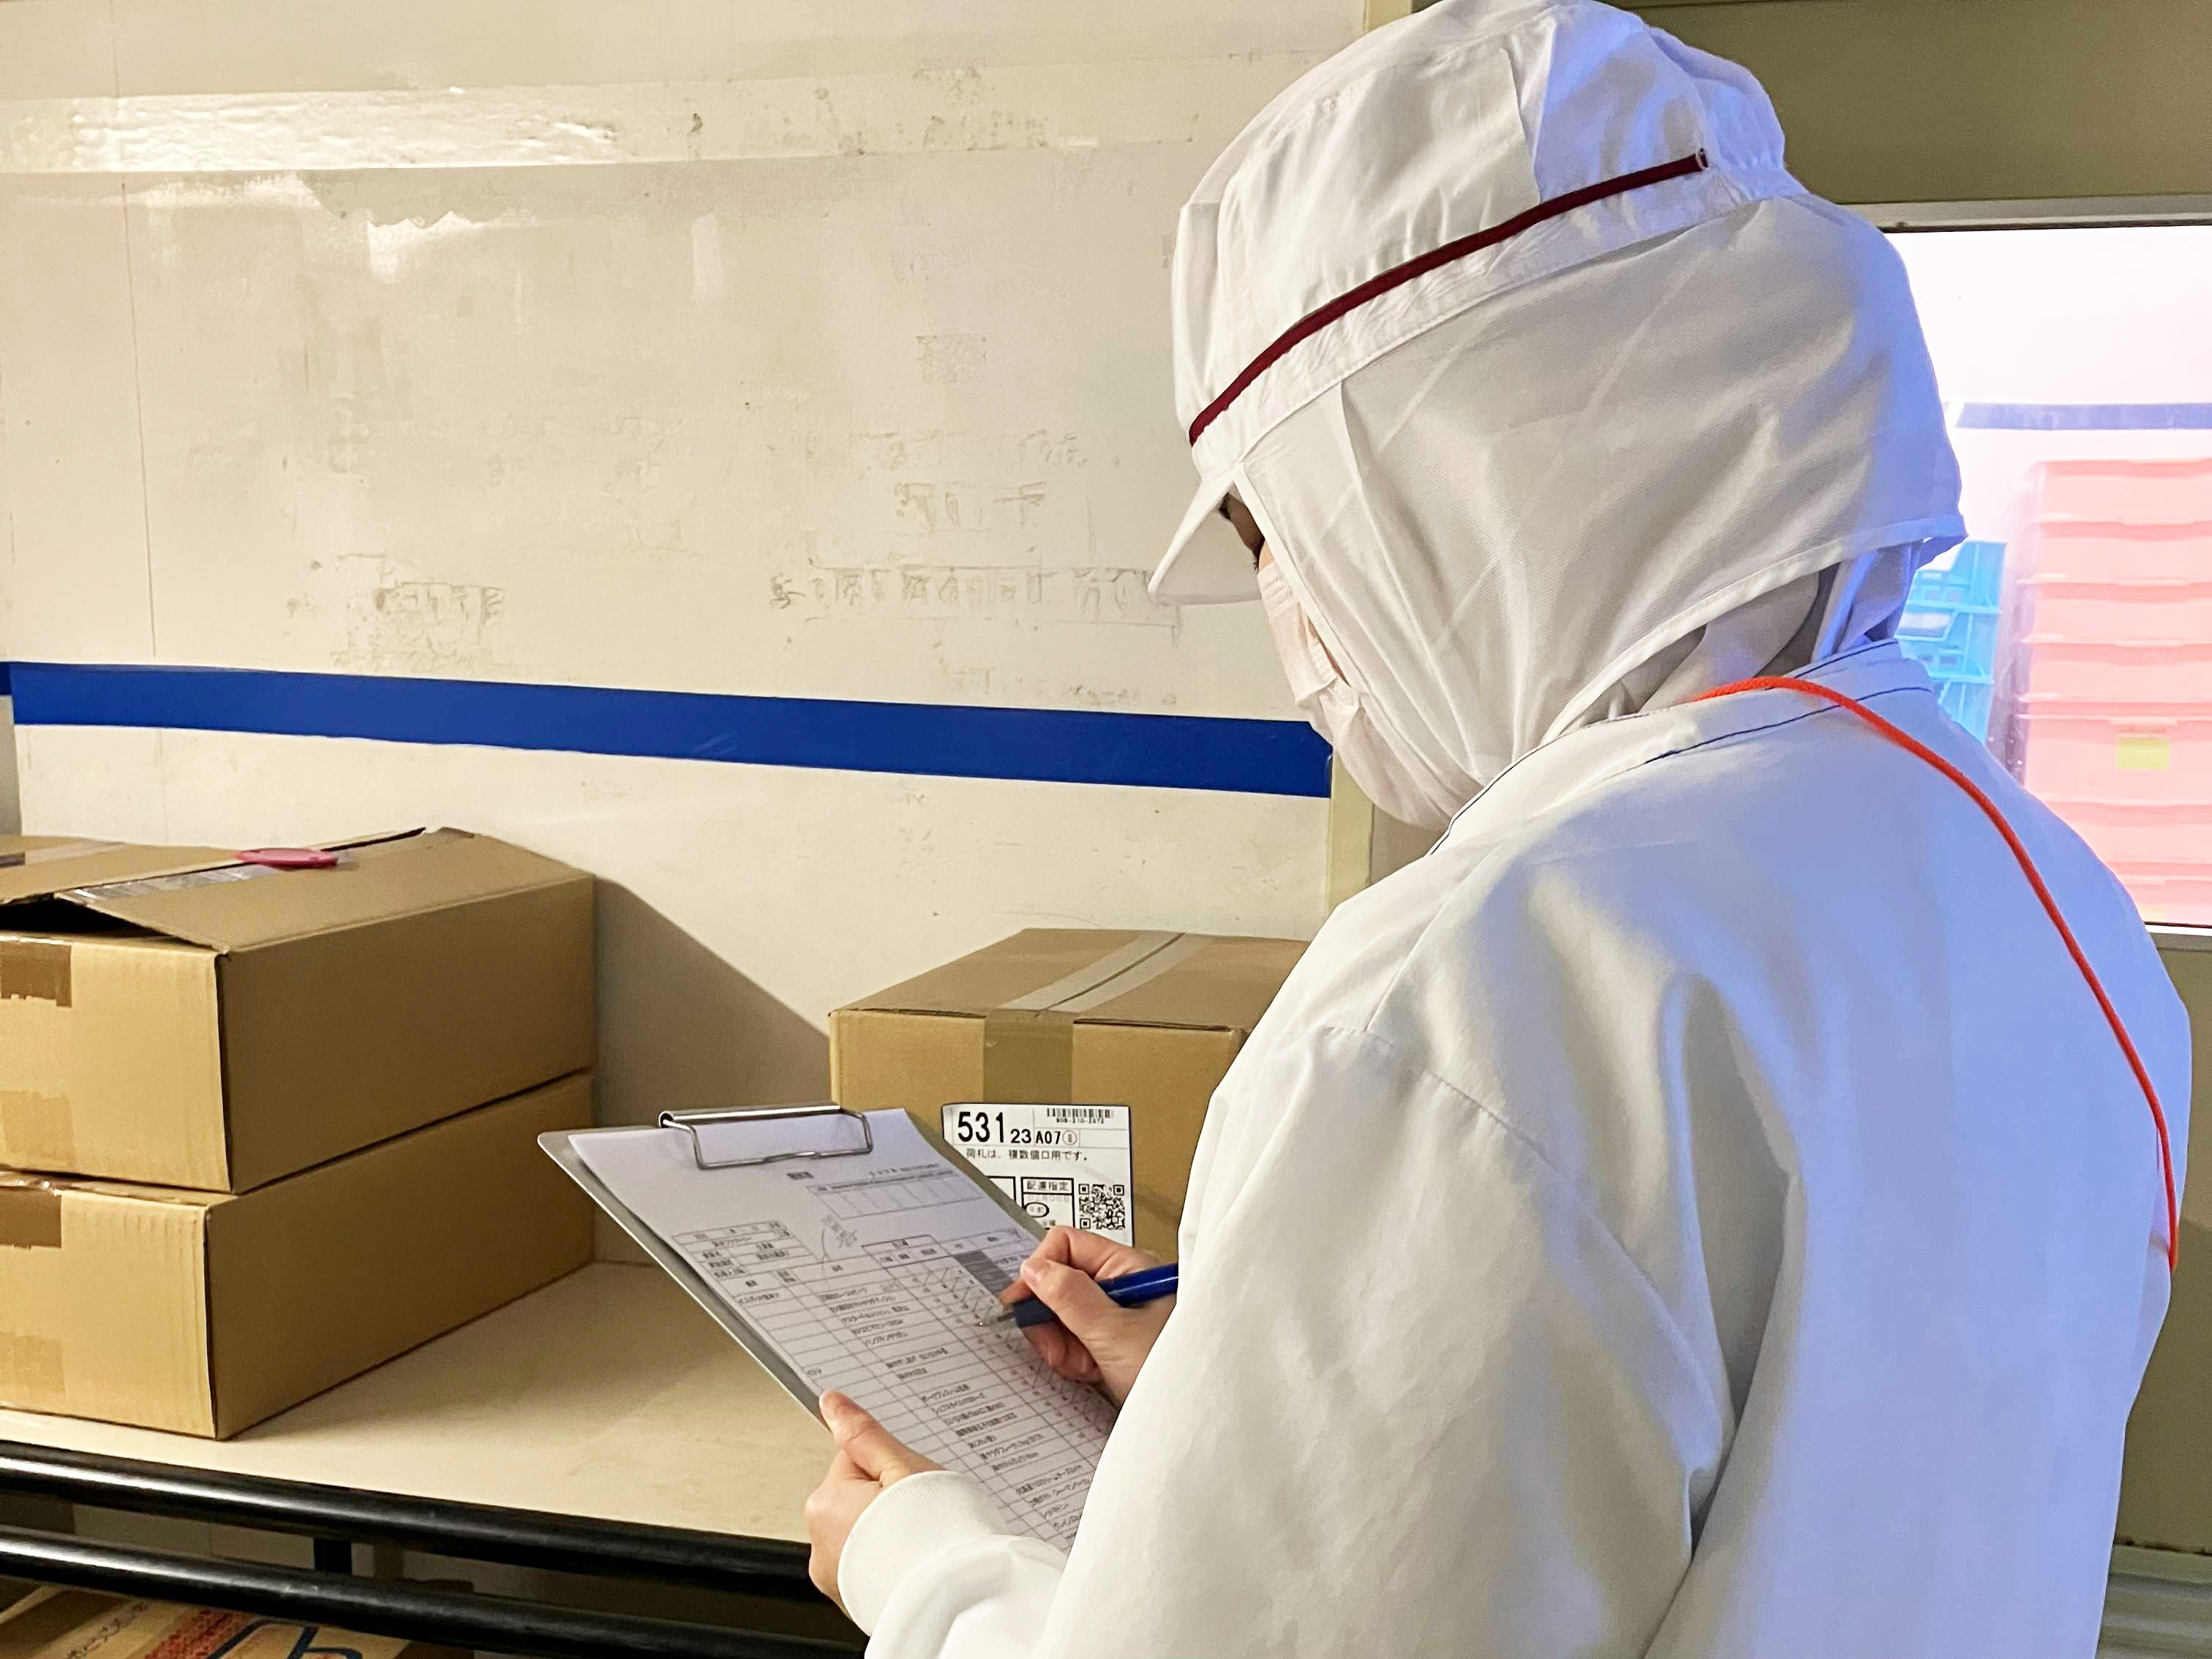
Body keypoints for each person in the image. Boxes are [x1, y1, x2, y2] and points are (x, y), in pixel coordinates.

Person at [803, 1, 2193, 1652]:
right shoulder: (2030, 880)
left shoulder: (1488, 985)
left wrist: (924, 1563)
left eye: (1277, 539)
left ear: (1447, 490)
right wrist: (1243, 1405)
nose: (1297, 624)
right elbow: (1769, 1479)